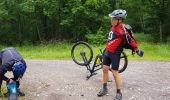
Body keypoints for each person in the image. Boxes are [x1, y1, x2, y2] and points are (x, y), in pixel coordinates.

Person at [97, 9, 144, 100]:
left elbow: (131, 41)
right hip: (107, 51)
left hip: (115, 53)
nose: (112, 20)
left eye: (114, 19)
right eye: (112, 18)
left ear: (120, 20)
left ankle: (119, 93)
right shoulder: (113, 26)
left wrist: (137, 50)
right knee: (105, 69)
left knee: (115, 73)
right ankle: (104, 88)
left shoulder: (123, 30)